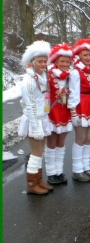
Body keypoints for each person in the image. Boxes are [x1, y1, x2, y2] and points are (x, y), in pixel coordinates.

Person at [18, 40, 53, 195]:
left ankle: (39, 180)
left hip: (42, 117)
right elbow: (30, 104)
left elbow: (43, 97)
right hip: (34, 120)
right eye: (40, 61)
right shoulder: (28, 80)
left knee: (40, 152)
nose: (43, 64)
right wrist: (36, 126)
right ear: (32, 62)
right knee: (36, 153)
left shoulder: (42, 77)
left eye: (45, 61)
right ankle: (32, 184)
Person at [68, 38, 90, 182]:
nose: (88, 58)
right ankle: (77, 169)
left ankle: (86, 167)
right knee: (80, 137)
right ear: (79, 55)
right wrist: (73, 112)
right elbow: (73, 92)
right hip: (81, 104)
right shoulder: (76, 72)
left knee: (89, 137)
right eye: (85, 55)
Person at [44, 43, 73, 185]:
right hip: (52, 112)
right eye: (62, 61)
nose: (65, 64)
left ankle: (59, 171)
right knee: (52, 141)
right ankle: (50, 173)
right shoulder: (49, 75)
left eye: (67, 62)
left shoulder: (70, 77)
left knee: (61, 142)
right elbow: (43, 95)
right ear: (55, 61)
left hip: (65, 111)